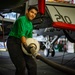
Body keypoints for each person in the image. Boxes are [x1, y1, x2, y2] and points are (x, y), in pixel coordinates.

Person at [7, 6, 38, 75]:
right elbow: (22, 34)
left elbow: (29, 38)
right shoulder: (21, 19)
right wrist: (26, 45)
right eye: (32, 12)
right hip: (13, 42)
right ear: (27, 11)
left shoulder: (30, 24)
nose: (33, 15)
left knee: (33, 66)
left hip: (22, 43)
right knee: (21, 66)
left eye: (35, 14)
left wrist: (33, 50)